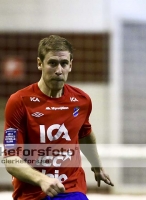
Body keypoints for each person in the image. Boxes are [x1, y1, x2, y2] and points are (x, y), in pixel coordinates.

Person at [3, 35, 114, 200]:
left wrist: (96, 165)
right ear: (40, 64)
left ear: (70, 65)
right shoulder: (19, 101)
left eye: (63, 63)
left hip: (71, 188)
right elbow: (11, 159)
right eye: (52, 63)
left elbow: (84, 133)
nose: (59, 70)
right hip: (32, 193)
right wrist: (43, 180)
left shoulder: (81, 100)